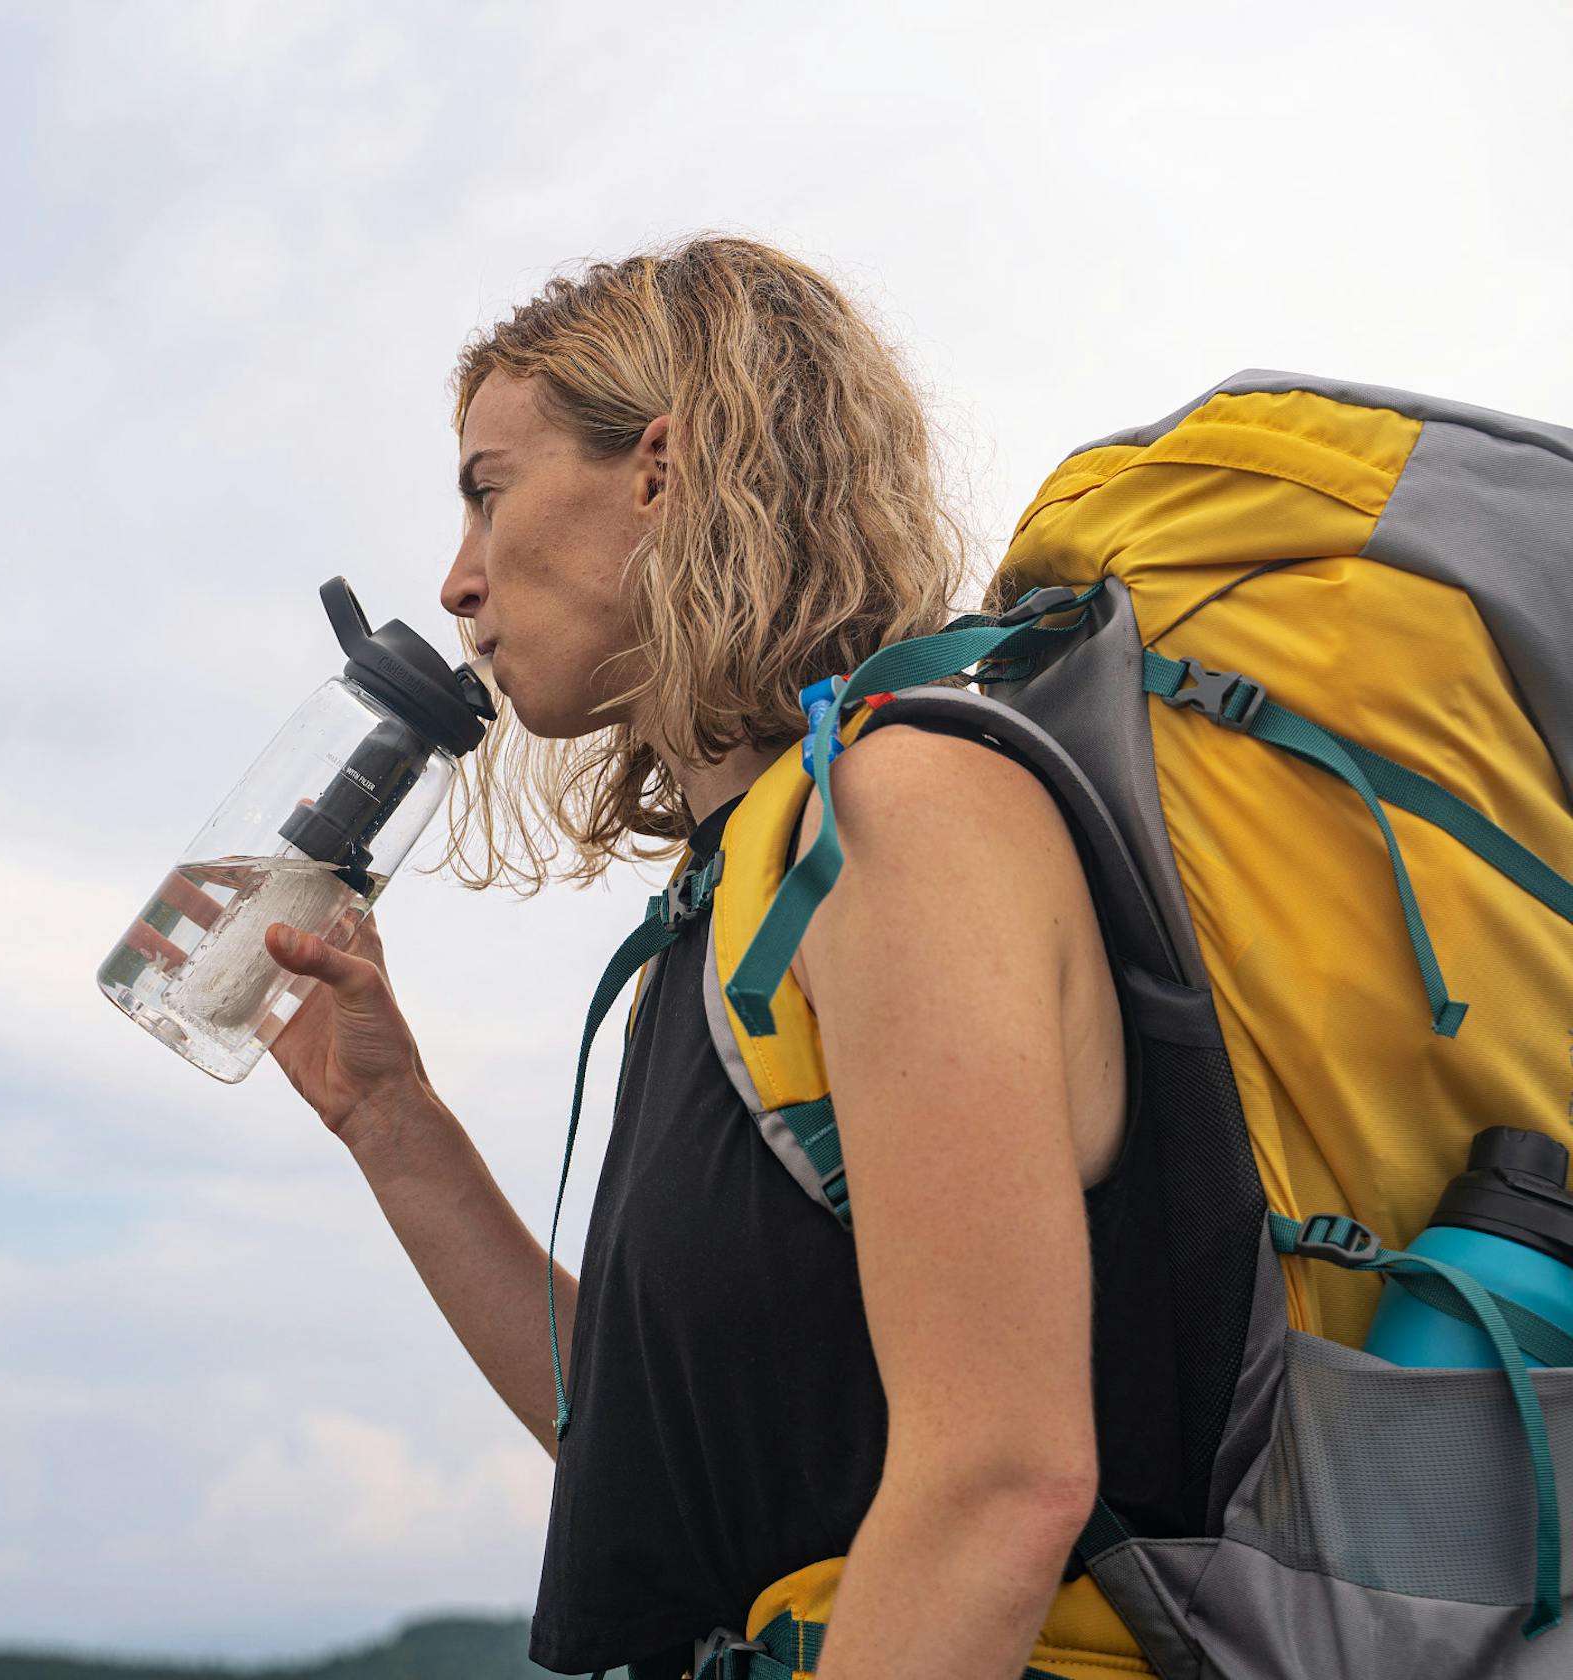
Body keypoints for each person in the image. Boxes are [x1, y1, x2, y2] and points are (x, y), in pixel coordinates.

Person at [262, 235, 1128, 1679]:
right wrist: (390, 1124)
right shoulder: (735, 893)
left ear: (661, 474)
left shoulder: (894, 819)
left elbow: (1000, 1483)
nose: (458, 582)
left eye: (490, 491)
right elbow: (654, 1441)